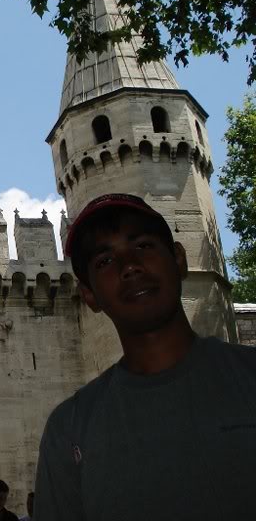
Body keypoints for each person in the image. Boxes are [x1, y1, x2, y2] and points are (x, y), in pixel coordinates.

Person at [34, 193, 256, 520]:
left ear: (179, 259)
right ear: (89, 295)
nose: (129, 266)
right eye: (104, 261)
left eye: (143, 245)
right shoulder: (69, 433)